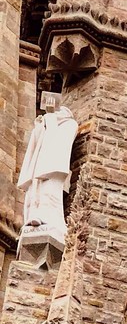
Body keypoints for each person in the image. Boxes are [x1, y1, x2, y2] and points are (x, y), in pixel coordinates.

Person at [18, 95, 78, 236]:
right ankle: (33, 217)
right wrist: (43, 123)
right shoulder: (47, 122)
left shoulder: (70, 124)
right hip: (40, 167)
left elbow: (57, 144)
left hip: (53, 168)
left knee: (49, 194)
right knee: (34, 194)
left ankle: (48, 219)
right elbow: (37, 141)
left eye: (59, 113)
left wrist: (50, 117)